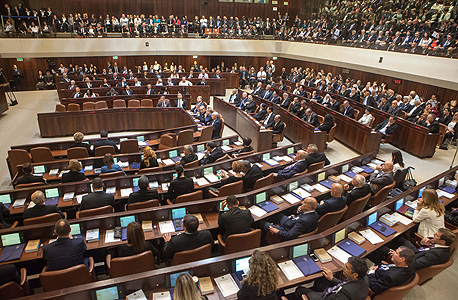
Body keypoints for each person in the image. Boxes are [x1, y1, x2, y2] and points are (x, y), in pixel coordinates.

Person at [295, 256, 369, 300]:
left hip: (327, 297)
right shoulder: (364, 278)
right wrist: (332, 278)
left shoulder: (341, 296)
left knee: (300, 289)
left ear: (355, 274)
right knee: (321, 280)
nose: (343, 267)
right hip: (336, 293)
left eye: (346, 267)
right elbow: (345, 285)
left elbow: (331, 296)